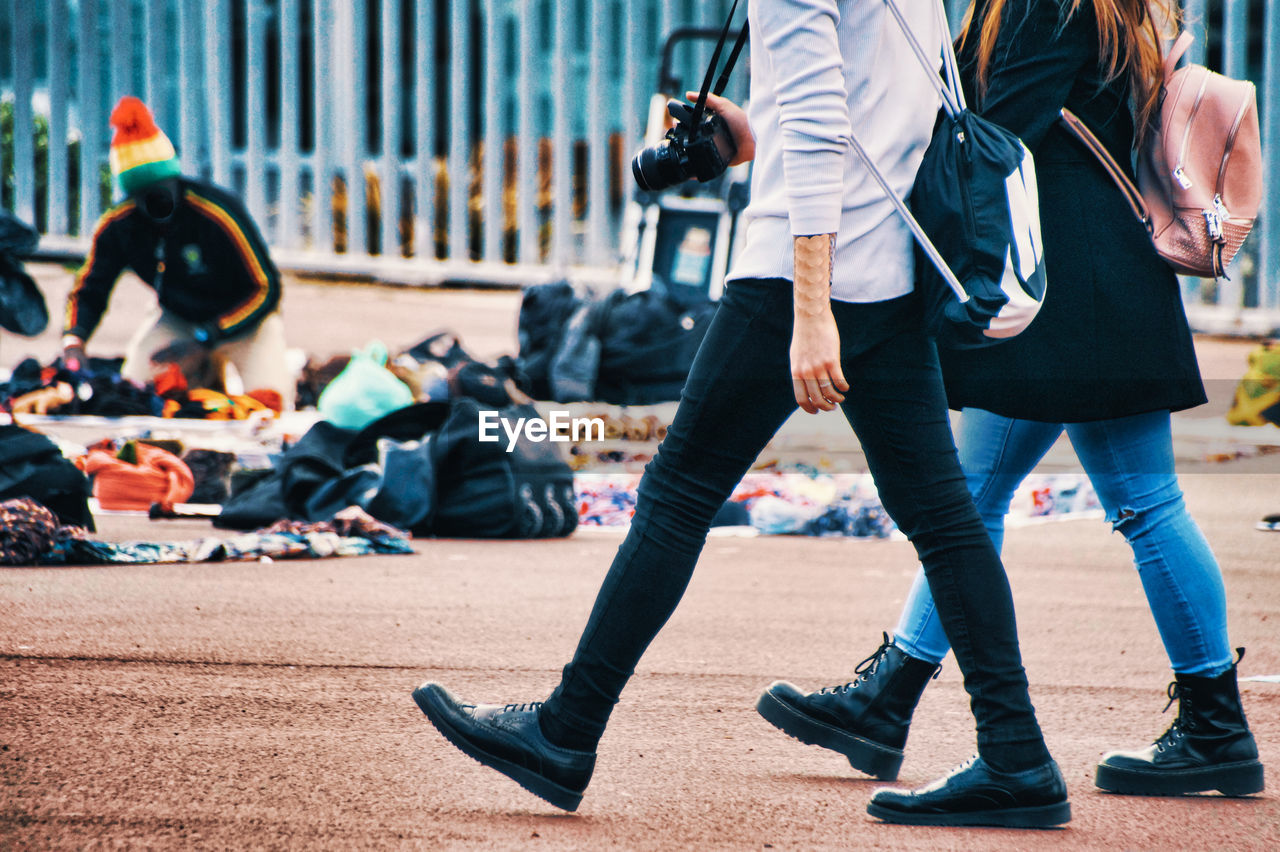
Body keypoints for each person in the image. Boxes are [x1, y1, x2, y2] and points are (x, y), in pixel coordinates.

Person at [412, 0, 1070, 828]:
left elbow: (826, 121)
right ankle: (1017, 757)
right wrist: (749, 136)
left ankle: (566, 730)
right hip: (890, 266)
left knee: (677, 492)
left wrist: (810, 307)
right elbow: (889, 101)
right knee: (940, 515)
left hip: (804, 273)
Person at [757, 0, 1265, 799]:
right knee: (1027, 502)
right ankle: (893, 698)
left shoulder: (1044, 4)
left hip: (1063, 286)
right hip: (1094, 277)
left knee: (1100, 505)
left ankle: (1211, 725)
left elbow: (992, 129)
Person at [61, 96, 293, 408]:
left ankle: (212, 370)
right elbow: (90, 289)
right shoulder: (119, 225)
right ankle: (206, 379)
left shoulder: (215, 213)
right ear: (132, 196)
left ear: (176, 180)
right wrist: (74, 340)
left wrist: (207, 337)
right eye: (146, 195)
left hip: (243, 324)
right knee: (136, 395)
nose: (158, 201)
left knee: (270, 408)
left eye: (163, 189)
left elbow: (267, 288)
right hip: (179, 321)